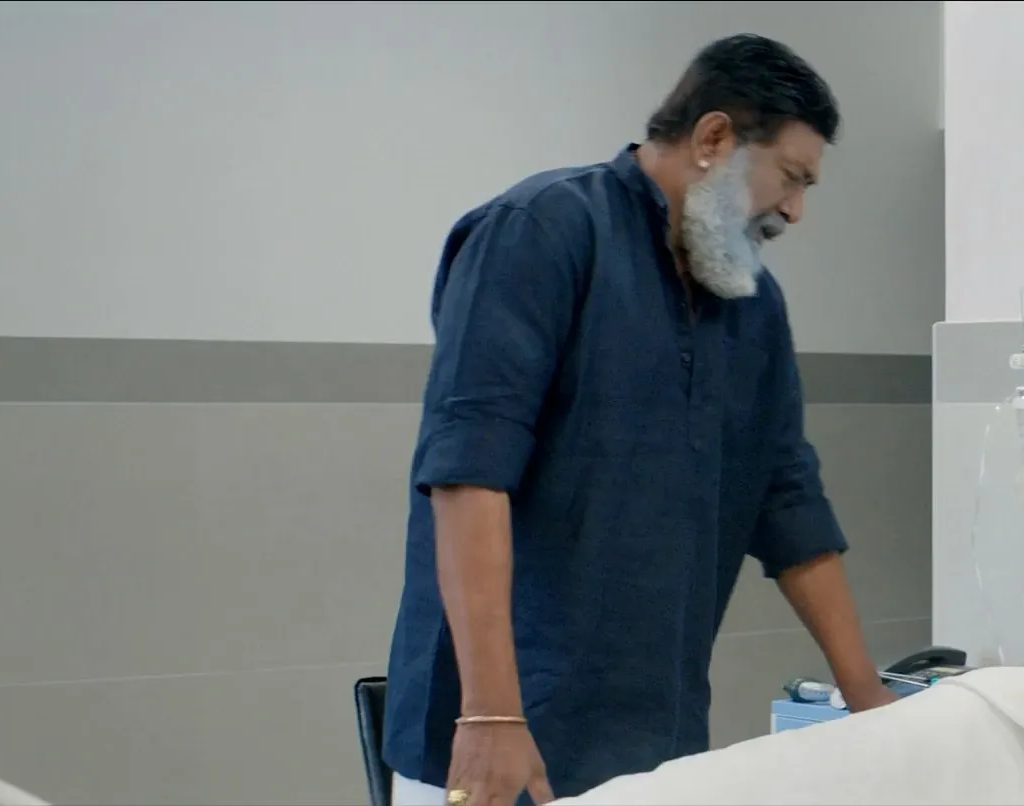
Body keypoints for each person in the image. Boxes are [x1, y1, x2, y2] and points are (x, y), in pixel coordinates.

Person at [381, 33, 898, 806]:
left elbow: (789, 500)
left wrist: (873, 709)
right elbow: (468, 473)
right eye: (792, 177)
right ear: (714, 139)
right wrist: (491, 715)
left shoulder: (750, 303)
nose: (795, 210)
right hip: (491, 741)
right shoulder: (542, 231)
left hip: (651, 748)